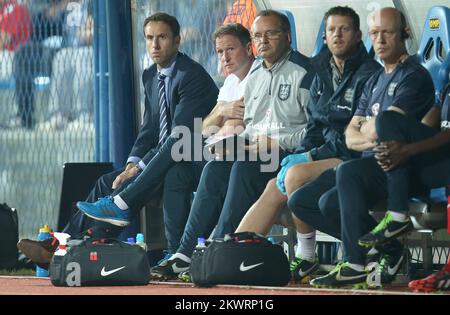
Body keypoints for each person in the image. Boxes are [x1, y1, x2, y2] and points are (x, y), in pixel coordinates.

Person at [17, 12, 218, 267]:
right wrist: (132, 164)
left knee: (142, 182)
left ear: (177, 40)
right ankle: (64, 243)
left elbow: (178, 138)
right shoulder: (150, 76)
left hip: (188, 160)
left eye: (162, 37)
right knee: (107, 182)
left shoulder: (192, 76)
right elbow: (150, 130)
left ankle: (71, 248)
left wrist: (141, 167)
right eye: (149, 38)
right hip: (160, 157)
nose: (154, 45)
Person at [147, 9, 315, 280]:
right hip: (255, 150)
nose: (264, 41)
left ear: (287, 36)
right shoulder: (257, 75)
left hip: (286, 154)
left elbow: (313, 132)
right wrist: (234, 143)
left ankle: (216, 249)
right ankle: (185, 252)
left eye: (270, 34)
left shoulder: (305, 72)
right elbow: (250, 125)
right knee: (217, 164)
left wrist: (270, 142)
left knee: (242, 166)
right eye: (258, 35)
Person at [288, 7, 435, 288]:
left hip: (401, 167)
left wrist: (369, 128)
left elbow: (387, 125)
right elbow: (349, 135)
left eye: (387, 33)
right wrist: (370, 129)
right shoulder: (376, 79)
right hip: (369, 164)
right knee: (304, 201)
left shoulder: (413, 75)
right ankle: (389, 250)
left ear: (403, 34)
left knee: (348, 173)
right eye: (375, 34)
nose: (380, 40)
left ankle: (355, 263)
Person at [234, 6, 381, 283]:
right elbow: (315, 124)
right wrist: (305, 152)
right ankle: (235, 254)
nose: (337, 35)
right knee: (275, 186)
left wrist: (310, 155)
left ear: (359, 35)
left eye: (344, 29)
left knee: (294, 175)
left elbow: (354, 132)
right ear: (324, 36)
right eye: (331, 30)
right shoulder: (321, 70)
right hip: (326, 153)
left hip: (354, 156)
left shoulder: (368, 73)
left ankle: (308, 255)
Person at [159, 22, 257, 257]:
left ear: (248, 48)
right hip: (216, 150)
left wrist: (221, 121)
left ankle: (194, 251)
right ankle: (176, 252)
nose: (225, 57)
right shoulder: (230, 82)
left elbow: (235, 126)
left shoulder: (257, 76)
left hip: (246, 155)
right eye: (220, 52)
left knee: (187, 150)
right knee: (176, 173)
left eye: (230, 49)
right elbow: (205, 128)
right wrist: (222, 111)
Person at [364, 82, 450, 292]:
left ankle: (397, 215)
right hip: (439, 161)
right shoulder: (447, 84)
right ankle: (396, 216)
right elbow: (430, 127)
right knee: (387, 122)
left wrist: (407, 150)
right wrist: (394, 149)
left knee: (387, 121)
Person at [11, 0, 69, 129]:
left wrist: (60, 7)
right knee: (22, 54)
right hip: (42, 43)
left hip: (63, 43)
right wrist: (45, 11)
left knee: (50, 55)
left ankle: (57, 113)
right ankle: (25, 116)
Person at [39, 0, 94, 130]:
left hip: (91, 48)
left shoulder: (92, 4)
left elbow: (90, 30)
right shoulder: (66, 5)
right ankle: (59, 114)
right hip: (70, 48)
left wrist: (83, 34)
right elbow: (48, 16)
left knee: (82, 58)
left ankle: (84, 114)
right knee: (60, 58)